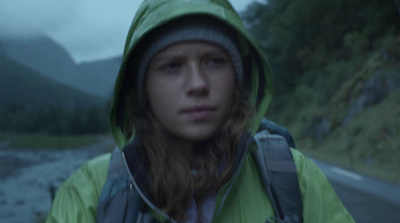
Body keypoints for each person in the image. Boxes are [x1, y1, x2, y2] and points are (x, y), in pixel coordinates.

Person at [46, 0, 355, 222]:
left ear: (239, 78)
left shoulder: (292, 176)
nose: (197, 84)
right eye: (172, 66)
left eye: (214, 61)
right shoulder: (92, 190)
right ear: (142, 90)